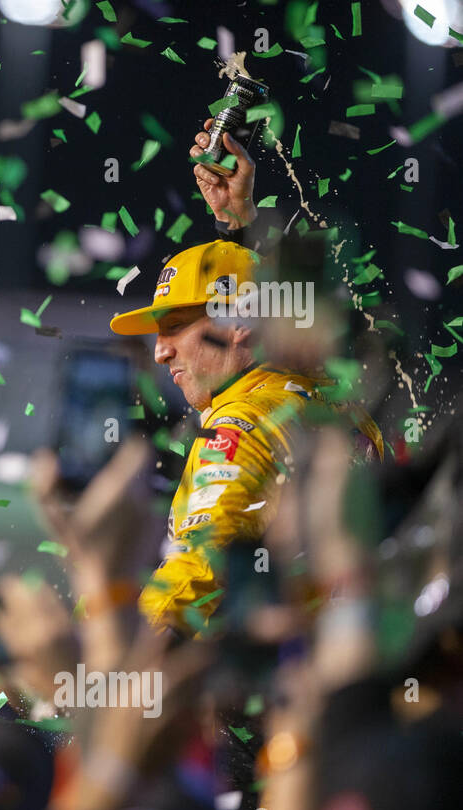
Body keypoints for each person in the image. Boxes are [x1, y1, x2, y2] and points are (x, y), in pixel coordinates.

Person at [101, 121, 386, 638]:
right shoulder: (322, 394)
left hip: (266, 698)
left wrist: (99, 664)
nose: (161, 351)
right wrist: (240, 223)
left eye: (175, 327)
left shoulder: (241, 426)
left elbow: (201, 569)